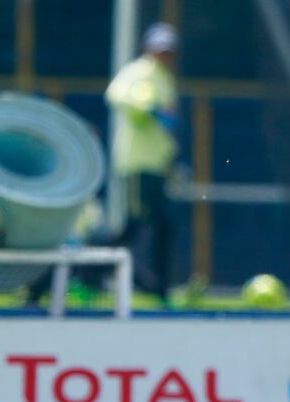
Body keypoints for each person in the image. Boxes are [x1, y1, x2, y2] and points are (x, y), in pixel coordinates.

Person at [104, 22, 180, 305]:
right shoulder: (139, 71)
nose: (163, 55)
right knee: (134, 228)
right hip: (138, 165)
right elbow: (118, 94)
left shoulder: (163, 77)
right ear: (147, 48)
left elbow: (164, 126)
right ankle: (84, 273)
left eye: (168, 50)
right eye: (160, 49)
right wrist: (148, 105)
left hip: (155, 165)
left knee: (156, 226)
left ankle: (159, 288)